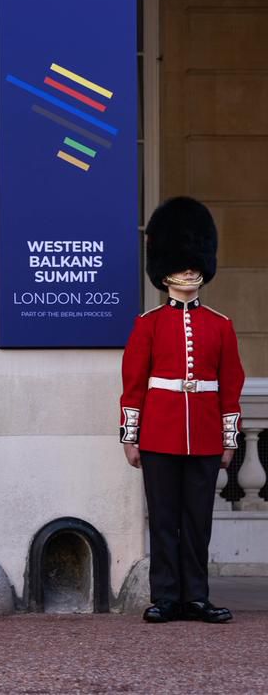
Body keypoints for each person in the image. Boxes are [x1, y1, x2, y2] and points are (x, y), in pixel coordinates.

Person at [121, 196, 243, 624]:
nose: (189, 271)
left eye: (194, 264)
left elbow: (232, 386)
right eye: (180, 264)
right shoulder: (147, 324)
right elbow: (133, 385)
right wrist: (130, 436)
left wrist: (228, 440)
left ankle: (196, 597)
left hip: (206, 435)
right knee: (164, 520)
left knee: (198, 523)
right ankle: (166, 596)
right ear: (163, 270)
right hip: (159, 433)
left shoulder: (220, 325)